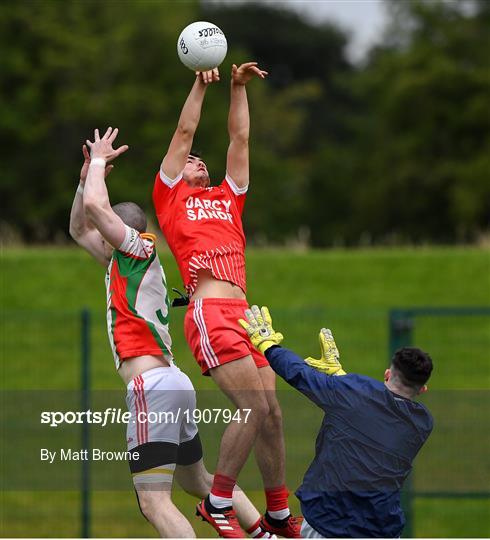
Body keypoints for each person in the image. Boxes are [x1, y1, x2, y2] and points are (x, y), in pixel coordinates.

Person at [69, 127, 270, 538]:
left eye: (103, 225)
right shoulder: (123, 262)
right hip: (172, 383)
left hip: (152, 386)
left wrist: (100, 164)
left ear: (115, 230)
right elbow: (78, 227)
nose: (97, 230)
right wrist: (85, 175)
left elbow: (94, 206)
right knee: (197, 481)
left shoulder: (134, 247)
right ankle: (262, 532)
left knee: (153, 502)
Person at [152, 64, 300, 538]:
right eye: (189, 158)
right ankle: (218, 504)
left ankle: (277, 512)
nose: (195, 159)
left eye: (199, 159)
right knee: (253, 407)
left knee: (272, 413)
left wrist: (237, 88)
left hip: (247, 316)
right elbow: (184, 129)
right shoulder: (171, 198)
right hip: (210, 310)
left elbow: (240, 140)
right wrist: (201, 83)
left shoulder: (228, 196)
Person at [240, 305, 434, 538]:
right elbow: (375, 413)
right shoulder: (423, 424)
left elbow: (300, 374)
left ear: (387, 374)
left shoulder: (350, 394)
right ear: (422, 389)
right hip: (383, 530)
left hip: (326, 524)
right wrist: (340, 377)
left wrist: (268, 345)